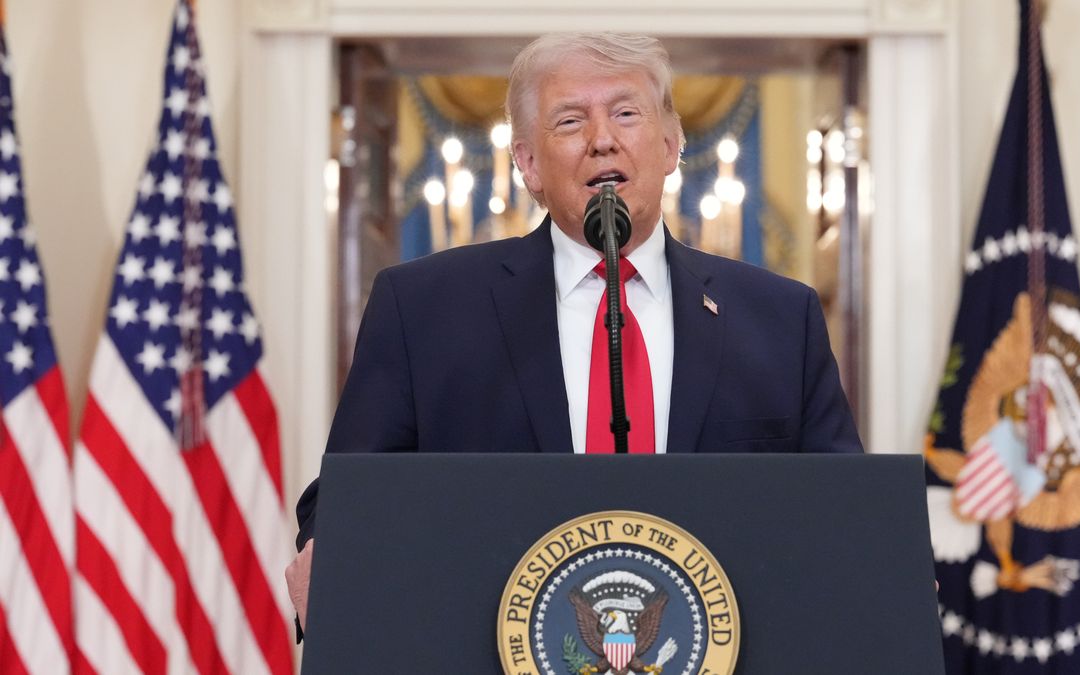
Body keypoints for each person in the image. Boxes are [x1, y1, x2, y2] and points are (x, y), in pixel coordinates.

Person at [285, 32, 863, 632]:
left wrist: (881, 563)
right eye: (569, 121)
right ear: (528, 165)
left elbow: (844, 506)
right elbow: (349, 495)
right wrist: (326, 550)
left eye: (626, 113)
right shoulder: (423, 308)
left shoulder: (778, 317)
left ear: (671, 144)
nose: (603, 139)